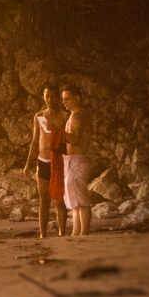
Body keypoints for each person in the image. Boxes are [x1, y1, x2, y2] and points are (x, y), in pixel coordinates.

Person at [22, 84, 65, 238]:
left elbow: (68, 141)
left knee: (59, 199)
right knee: (44, 200)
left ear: (59, 98)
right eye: (47, 96)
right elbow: (35, 141)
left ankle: (62, 233)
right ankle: (43, 234)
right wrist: (28, 164)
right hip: (42, 161)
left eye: (54, 96)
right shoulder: (39, 116)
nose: (50, 99)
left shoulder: (65, 116)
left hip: (58, 161)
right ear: (43, 97)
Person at [61, 85, 92, 236]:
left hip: (77, 160)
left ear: (77, 98)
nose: (64, 103)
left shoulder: (78, 116)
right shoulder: (74, 115)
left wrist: (56, 131)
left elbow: (74, 139)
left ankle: (83, 232)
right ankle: (76, 232)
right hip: (71, 160)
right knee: (74, 200)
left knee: (80, 198)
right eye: (63, 100)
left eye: (67, 99)